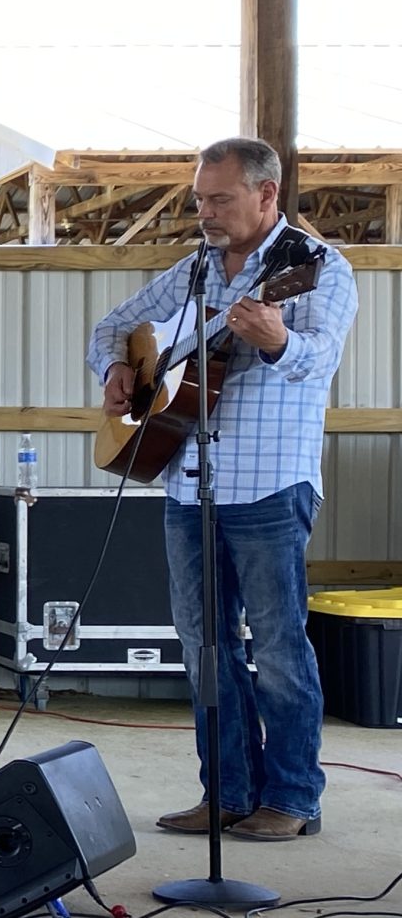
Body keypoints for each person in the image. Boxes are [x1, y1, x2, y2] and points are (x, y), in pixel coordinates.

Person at [90, 137, 356, 842]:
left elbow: (318, 360)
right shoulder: (194, 269)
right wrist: (117, 371)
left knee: (276, 647)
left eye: (220, 199)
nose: (204, 212)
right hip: (188, 485)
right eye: (200, 198)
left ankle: (294, 797)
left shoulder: (317, 269)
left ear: (266, 195)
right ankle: (227, 791)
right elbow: (112, 328)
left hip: (271, 486)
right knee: (205, 647)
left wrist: (275, 339)